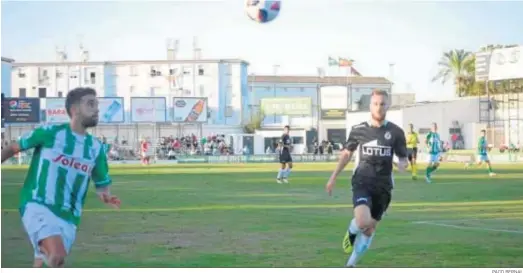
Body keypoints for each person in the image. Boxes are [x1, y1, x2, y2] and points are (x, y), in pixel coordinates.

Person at [1, 87, 121, 267]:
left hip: (69, 217)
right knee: (56, 256)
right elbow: (13, 148)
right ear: (74, 110)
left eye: (96, 105)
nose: (96, 109)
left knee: (44, 262)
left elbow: (101, 182)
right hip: (38, 204)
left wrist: (106, 195)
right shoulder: (50, 132)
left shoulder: (96, 148)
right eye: (90, 104)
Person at [325, 89, 408, 268]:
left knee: (370, 230)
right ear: (370, 106)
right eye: (376, 104)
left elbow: (403, 157)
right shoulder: (358, 130)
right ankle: (352, 230)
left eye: (382, 104)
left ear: (388, 106)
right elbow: (346, 154)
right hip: (362, 181)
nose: (379, 107)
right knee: (362, 221)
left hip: (384, 187)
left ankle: (351, 265)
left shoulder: (396, 132)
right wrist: (333, 177)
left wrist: (403, 164)